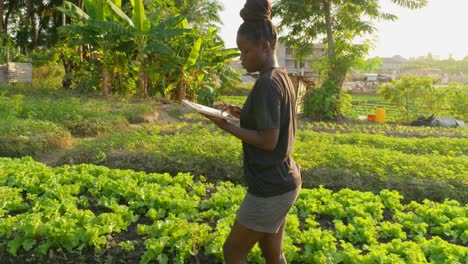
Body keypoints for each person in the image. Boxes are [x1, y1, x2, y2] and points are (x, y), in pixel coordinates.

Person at [203, 0, 302, 263]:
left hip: (269, 187)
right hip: (286, 180)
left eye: (245, 52)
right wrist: (239, 112)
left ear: (265, 46)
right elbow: (271, 119)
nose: (241, 58)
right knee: (273, 254)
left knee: (233, 251)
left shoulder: (267, 84)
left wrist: (226, 126)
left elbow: (269, 140)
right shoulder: (280, 76)